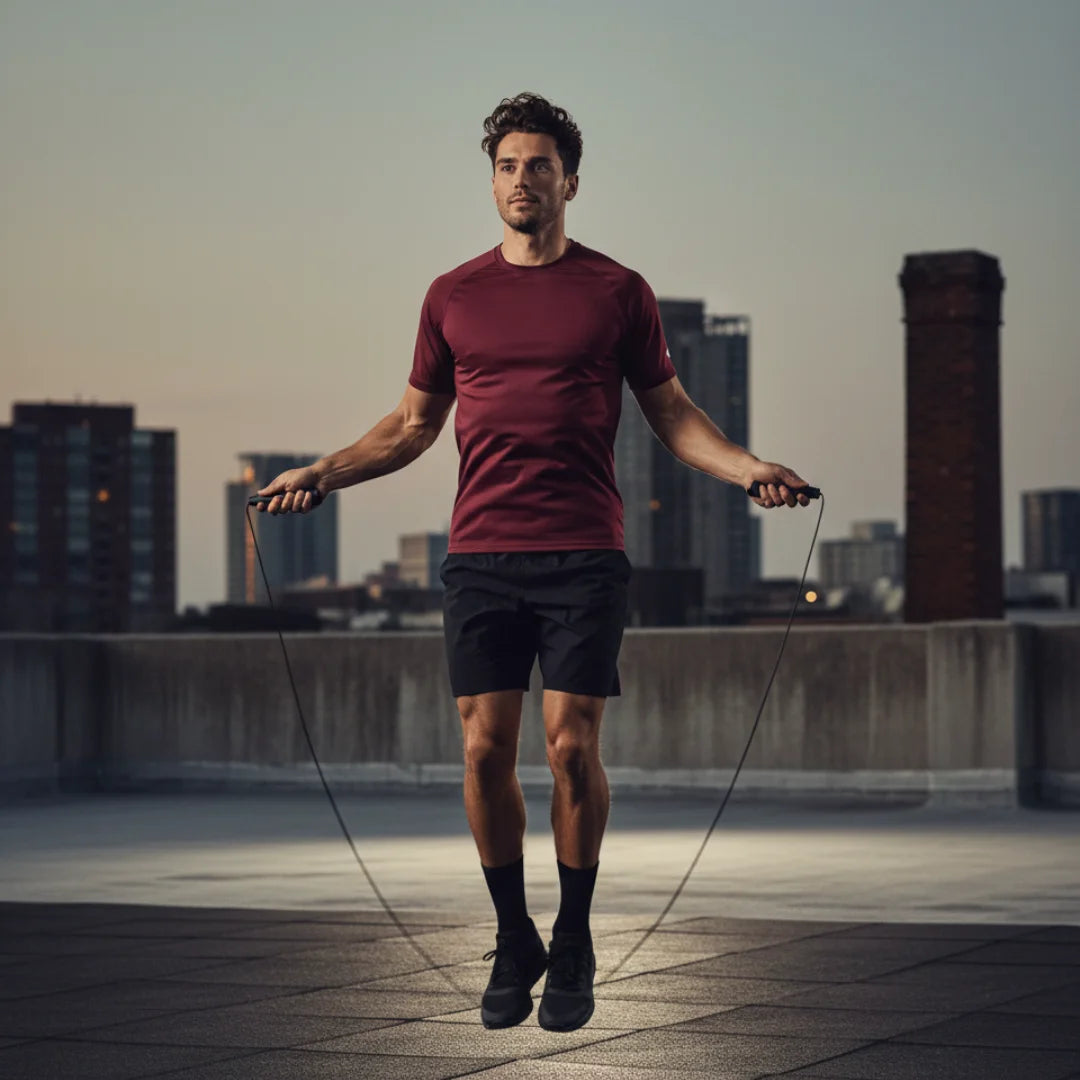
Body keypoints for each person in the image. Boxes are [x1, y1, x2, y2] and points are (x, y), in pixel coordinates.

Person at [255, 91, 814, 1032]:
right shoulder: (452, 295)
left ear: (571, 183)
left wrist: (748, 468)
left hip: (586, 552)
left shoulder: (616, 291)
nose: (523, 180)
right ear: (493, 183)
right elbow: (409, 427)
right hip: (481, 553)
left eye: (540, 166)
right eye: (508, 165)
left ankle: (577, 938)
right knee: (481, 751)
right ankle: (515, 936)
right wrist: (324, 472)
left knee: (570, 747)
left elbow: (671, 413)